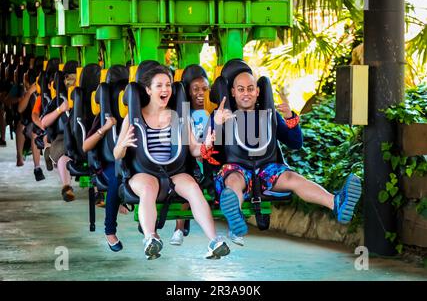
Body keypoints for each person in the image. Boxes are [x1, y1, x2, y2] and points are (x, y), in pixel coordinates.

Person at [212, 70, 362, 246]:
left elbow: (295, 143)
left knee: (293, 178)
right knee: (234, 181)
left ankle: (336, 203)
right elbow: (212, 153)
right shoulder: (221, 115)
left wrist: (290, 118)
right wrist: (218, 125)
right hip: (236, 169)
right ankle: (235, 218)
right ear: (233, 92)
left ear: (258, 92)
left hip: (266, 169)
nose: (246, 93)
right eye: (241, 89)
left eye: (250, 88)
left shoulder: (270, 115)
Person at [113, 65, 230, 260]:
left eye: (168, 85)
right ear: (148, 90)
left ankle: (214, 240)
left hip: (174, 172)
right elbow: (117, 153)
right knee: (149, 187)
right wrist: (123, 145)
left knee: (193, 187)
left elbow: (194, 149)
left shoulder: (180, 117)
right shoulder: (133, 117)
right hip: (143, 174)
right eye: (159, 85)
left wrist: (206, 145)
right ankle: (150, 238)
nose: (165, 90)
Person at [167, 64, 211, 246]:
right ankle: (179, 226)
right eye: (196, 89)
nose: (201, 93)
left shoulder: (211, 113)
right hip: (187, 159)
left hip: (207, 157)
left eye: (205, 89)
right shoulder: (179, 113)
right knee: (189, 175)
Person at [83, 115, 128, 252]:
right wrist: (106, 127)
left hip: (137, 160)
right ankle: (110, 231)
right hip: (110, 163)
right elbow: (86, 146)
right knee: (117, 176)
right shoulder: (108, 110)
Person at [41, 63, 77, 202]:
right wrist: (60, 110)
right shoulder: (57, 101)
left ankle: (101, 193)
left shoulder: (87, 96)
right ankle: (66, 186)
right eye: (70, 78)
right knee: (64, 154)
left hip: (84, 135)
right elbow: (44, 122)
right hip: (62, 137)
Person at [17, 67, 45, 181]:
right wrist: (29, 92)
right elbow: (20, 109)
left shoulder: (47, 87)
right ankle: (37, 168)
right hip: (33, 123)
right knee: (34, 132)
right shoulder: (27, 92)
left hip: (47, 120)